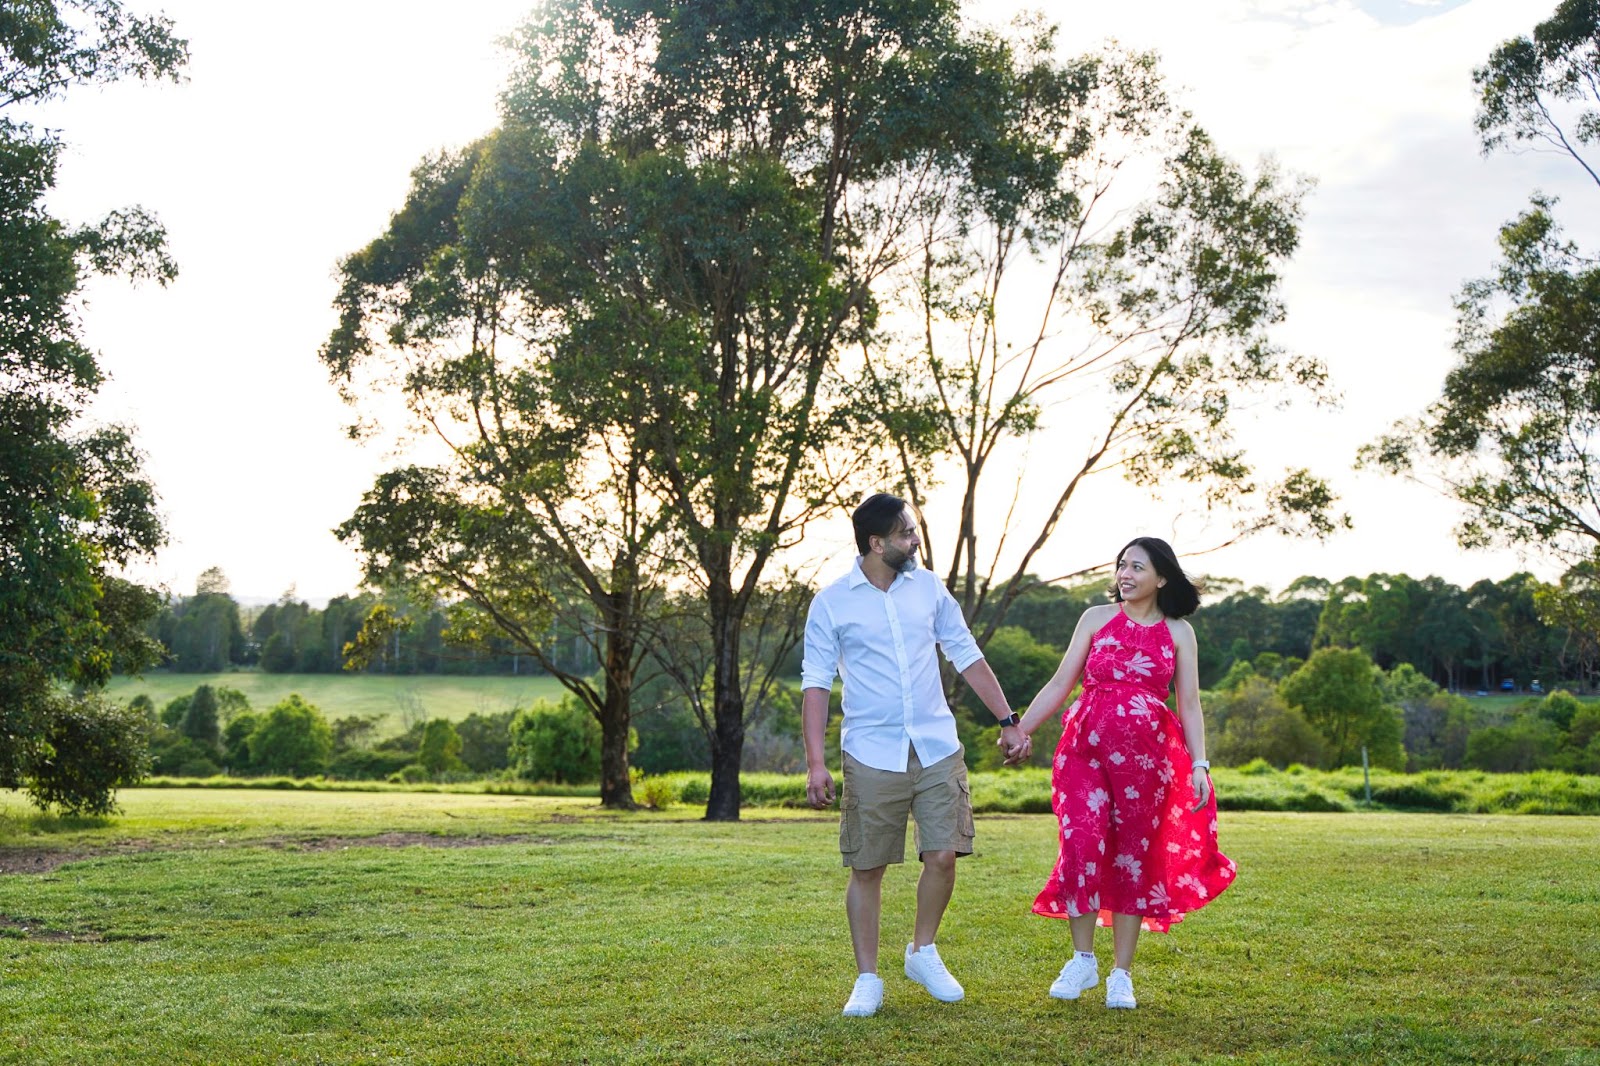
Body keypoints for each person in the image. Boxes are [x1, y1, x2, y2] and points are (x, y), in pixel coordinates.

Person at [802, 493, 1028, 1018]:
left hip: (936, 745)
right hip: (871, 750)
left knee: (944, 853)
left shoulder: (928, 589)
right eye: (905, 533)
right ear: (876, 543)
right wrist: (816, 762)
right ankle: (867, 978)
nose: (915, 539)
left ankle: (922, 950)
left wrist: (1008, 720)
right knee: (868, 866)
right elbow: (816, 685)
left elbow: (967, 654)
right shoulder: (832, 602)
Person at [1012, 536, 1235, 1010]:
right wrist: (1021, 728)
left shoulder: (1178, 633)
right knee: (1081, 844)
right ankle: (1082, 959)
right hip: (1084, 751)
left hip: (1145, 762)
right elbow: (1060, 681)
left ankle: (1121, 974)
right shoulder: (1096, 619)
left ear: (1162, 578)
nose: (1125, 574)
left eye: (1137, 567)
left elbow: (1189, 705)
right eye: (1121, 566)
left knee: (1134, 857)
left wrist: (1199, 763)